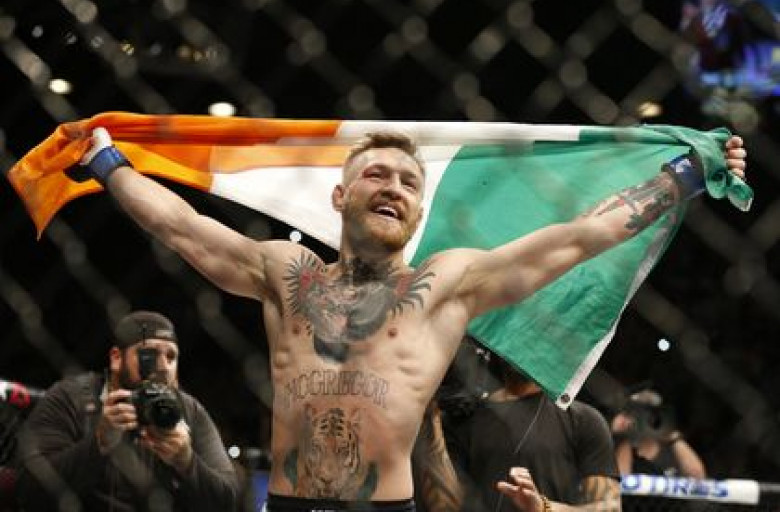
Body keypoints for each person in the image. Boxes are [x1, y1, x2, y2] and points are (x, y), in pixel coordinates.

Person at [74, 125, 746, 511]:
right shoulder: (284, 272)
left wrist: (683, 176)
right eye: (377, 175)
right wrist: (105, 160)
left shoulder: (448, 283)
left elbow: (578, 237)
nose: (393, 187)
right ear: (340, 195)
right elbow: (182, 226)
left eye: (408, 182)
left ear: (419, 213)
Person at [15, 310, 241, 511]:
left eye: (171, 356)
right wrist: (98, 444)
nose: (163, 366)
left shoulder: (189, 411)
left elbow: (229, 500)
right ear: (116, 358)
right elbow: (27, 491)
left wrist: (187, 463)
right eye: (149, 355)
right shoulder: (71, 399)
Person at [418, 339, 621, 512]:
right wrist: (429, 415)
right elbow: (444, 507)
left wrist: (543, 507)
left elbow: (609, 508)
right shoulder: (461, 420)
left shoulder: (583, 419)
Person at [611, 389, 707, 479]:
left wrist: (671, 434)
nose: (642, 420)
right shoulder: (622, 448)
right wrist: (623, 436)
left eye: (649, 416)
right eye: (634, 413)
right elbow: (620, 482)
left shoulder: (673, 450)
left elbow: (698, 478)